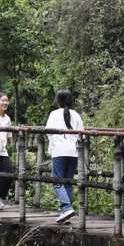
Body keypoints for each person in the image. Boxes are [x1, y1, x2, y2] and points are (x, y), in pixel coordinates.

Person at [45, 90, 84, 224]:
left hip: (59, 151)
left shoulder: (54, 114)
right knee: (67, 181)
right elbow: (81, 135)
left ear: (58, 101)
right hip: (73, 152)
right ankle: (65, 212)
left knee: (57, 181)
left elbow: (48, 132)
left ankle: (67, 208)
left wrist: (54, 143)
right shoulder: (77, 115)